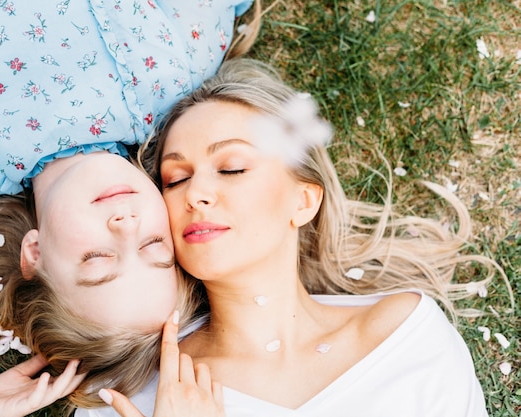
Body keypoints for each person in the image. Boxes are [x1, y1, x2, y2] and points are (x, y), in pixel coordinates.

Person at [82, 58, 512, 416]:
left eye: (232, 168)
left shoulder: (405, 340)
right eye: (175, 179)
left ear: (303, 201)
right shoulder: (126, 394)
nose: (195, 194)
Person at [0, 1, 261, 415]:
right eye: (155, 246)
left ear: (34, 254)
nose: (126, 224)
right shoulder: (179, 79)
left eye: (98, 259)